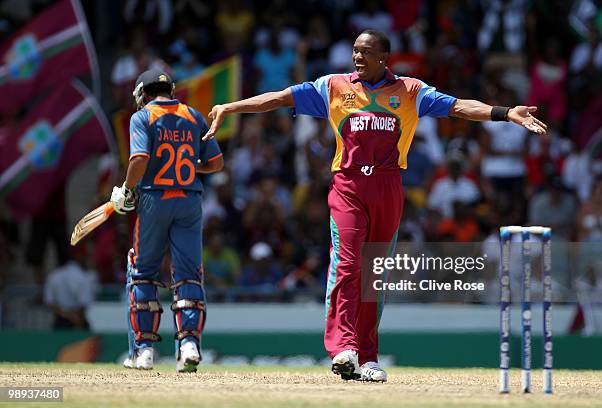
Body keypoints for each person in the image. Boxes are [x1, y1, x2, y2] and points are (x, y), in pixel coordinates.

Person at [204, 29, 547, 382]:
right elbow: (279, 99)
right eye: (354, 50)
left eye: (366, 52)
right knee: (348, 263)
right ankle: (343, 348)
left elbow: (459, 107)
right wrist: (232, 106)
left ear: (384, 57)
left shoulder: (411, 91)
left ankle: (368, 357)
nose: (357, 57)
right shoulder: (333, 87)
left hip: (387, 186)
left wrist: (504, 113)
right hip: (348, 185)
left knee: (374, 274)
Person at [110, 69, 224, 372]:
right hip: (189, 200)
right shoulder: (193, 115)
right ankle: (189, 345)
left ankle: (143, 351)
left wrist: (126, 189)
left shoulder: (142, 117)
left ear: (142, 93)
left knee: (143, 272)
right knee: (188, 274)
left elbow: (139, 159)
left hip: (153, 199)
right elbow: (216, 162)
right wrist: (184, 166)